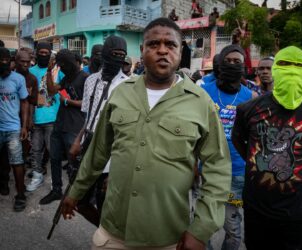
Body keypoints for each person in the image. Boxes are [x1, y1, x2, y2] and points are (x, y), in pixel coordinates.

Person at [62, 17, 231, 250]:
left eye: (170, 45)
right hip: (113, 232)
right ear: (142, 51)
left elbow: (218, 167)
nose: (162, 50)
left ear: (181, 51)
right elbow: (98, 151)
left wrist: (201, 229)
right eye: (153, 44)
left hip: (166, 236)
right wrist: (76, 191)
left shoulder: (200, 102)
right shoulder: (121, 94)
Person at [232, 46, 302, 250]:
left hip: (295, 212)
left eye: (298, 66)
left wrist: (298, 173)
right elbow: (239, 141)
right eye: (286, 65)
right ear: (276, 69)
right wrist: (256, 162)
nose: (292, 71)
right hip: (256, 208)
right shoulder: (248, 109)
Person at [69, 35, 129, 226]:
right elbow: (88, 118)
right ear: (104, 54)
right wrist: (78, 141)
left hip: (112, 154)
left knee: (107, 204)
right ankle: (105, 233)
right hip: (89, 147)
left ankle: (109, 238)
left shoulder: (129, 85)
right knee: (79, 201)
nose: (118, 59)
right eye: (114, 54)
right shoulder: (91, 81)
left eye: (122, 55)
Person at [203, 45, 253, 250]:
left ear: (244, 66)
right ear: (220, 63)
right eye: (228, 60)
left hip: (237, 172)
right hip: (207, 169)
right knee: (202, 226)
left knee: (233, 232)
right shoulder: (203, 92)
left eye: (237, 61)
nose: (232, 64)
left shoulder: (249, 96)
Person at [39, 49, 88, 205]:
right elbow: (53, 90)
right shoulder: (67, 77)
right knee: (54, 159)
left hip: (74, 128)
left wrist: (67, 102)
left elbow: (88, 103)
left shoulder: (86, 78)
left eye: (65, 64)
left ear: (73, 62)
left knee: (74, 163)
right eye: (60, 65)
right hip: (59, 125)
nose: (63, 67)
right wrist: (48, 71)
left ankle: (75, 196)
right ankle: (56, 191)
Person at [26, 42, 61, 192]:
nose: (44, 55)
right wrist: (28, 118)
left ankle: (55, 179)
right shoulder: (31, 71)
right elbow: (28, 96)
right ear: (37, 53)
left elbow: (62, 89)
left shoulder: (58, 71)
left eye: (47, 53)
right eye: (41, 53)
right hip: (36, 118)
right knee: (35, 150)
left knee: (53, 151)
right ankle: (37, 175)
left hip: (53, 117)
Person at [0, 47, 29, 211]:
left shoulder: (18, 79)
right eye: (1, 60)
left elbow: (25, 102)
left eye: (6, 59)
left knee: (17, 162)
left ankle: (21, 195)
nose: (4, 62)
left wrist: (24, 126)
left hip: (13, 128)